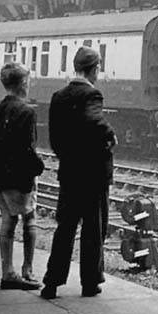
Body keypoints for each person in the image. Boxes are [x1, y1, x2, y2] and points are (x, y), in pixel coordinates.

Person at [40, 47, 116, 300]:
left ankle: (52, 282)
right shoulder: (91, 94)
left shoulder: (58, 96)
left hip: (70, 172)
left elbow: (54, 138)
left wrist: (67, 156)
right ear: (94, 69)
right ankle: (90, 282)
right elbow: (94, 121)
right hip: (93, 175)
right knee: (93, 229)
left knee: (65, 228)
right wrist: (110, 135)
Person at [0, 62, 43, 291]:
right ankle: (27, 271)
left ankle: (7, 272)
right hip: (19, 176)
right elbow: (27, 148)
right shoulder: (27, 112)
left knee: (8, 220)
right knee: (29, 218)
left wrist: (0, 154)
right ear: (23, 84)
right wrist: (39, 166)